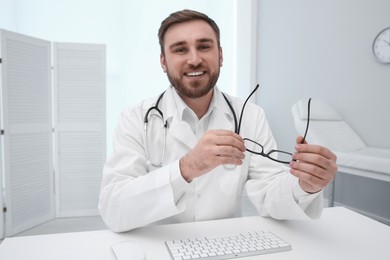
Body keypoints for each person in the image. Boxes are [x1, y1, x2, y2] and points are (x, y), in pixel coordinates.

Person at [98, 9, 338, 233]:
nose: (194, 59)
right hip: (157, 245)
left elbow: (269, 193)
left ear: (220, 55)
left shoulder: (251, 116)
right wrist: (185, 169)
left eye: (204, 46)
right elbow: (113, 208)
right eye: (180, 49)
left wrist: (306, 185)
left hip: (227, 245)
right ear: (163, 61)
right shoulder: (136, 118)